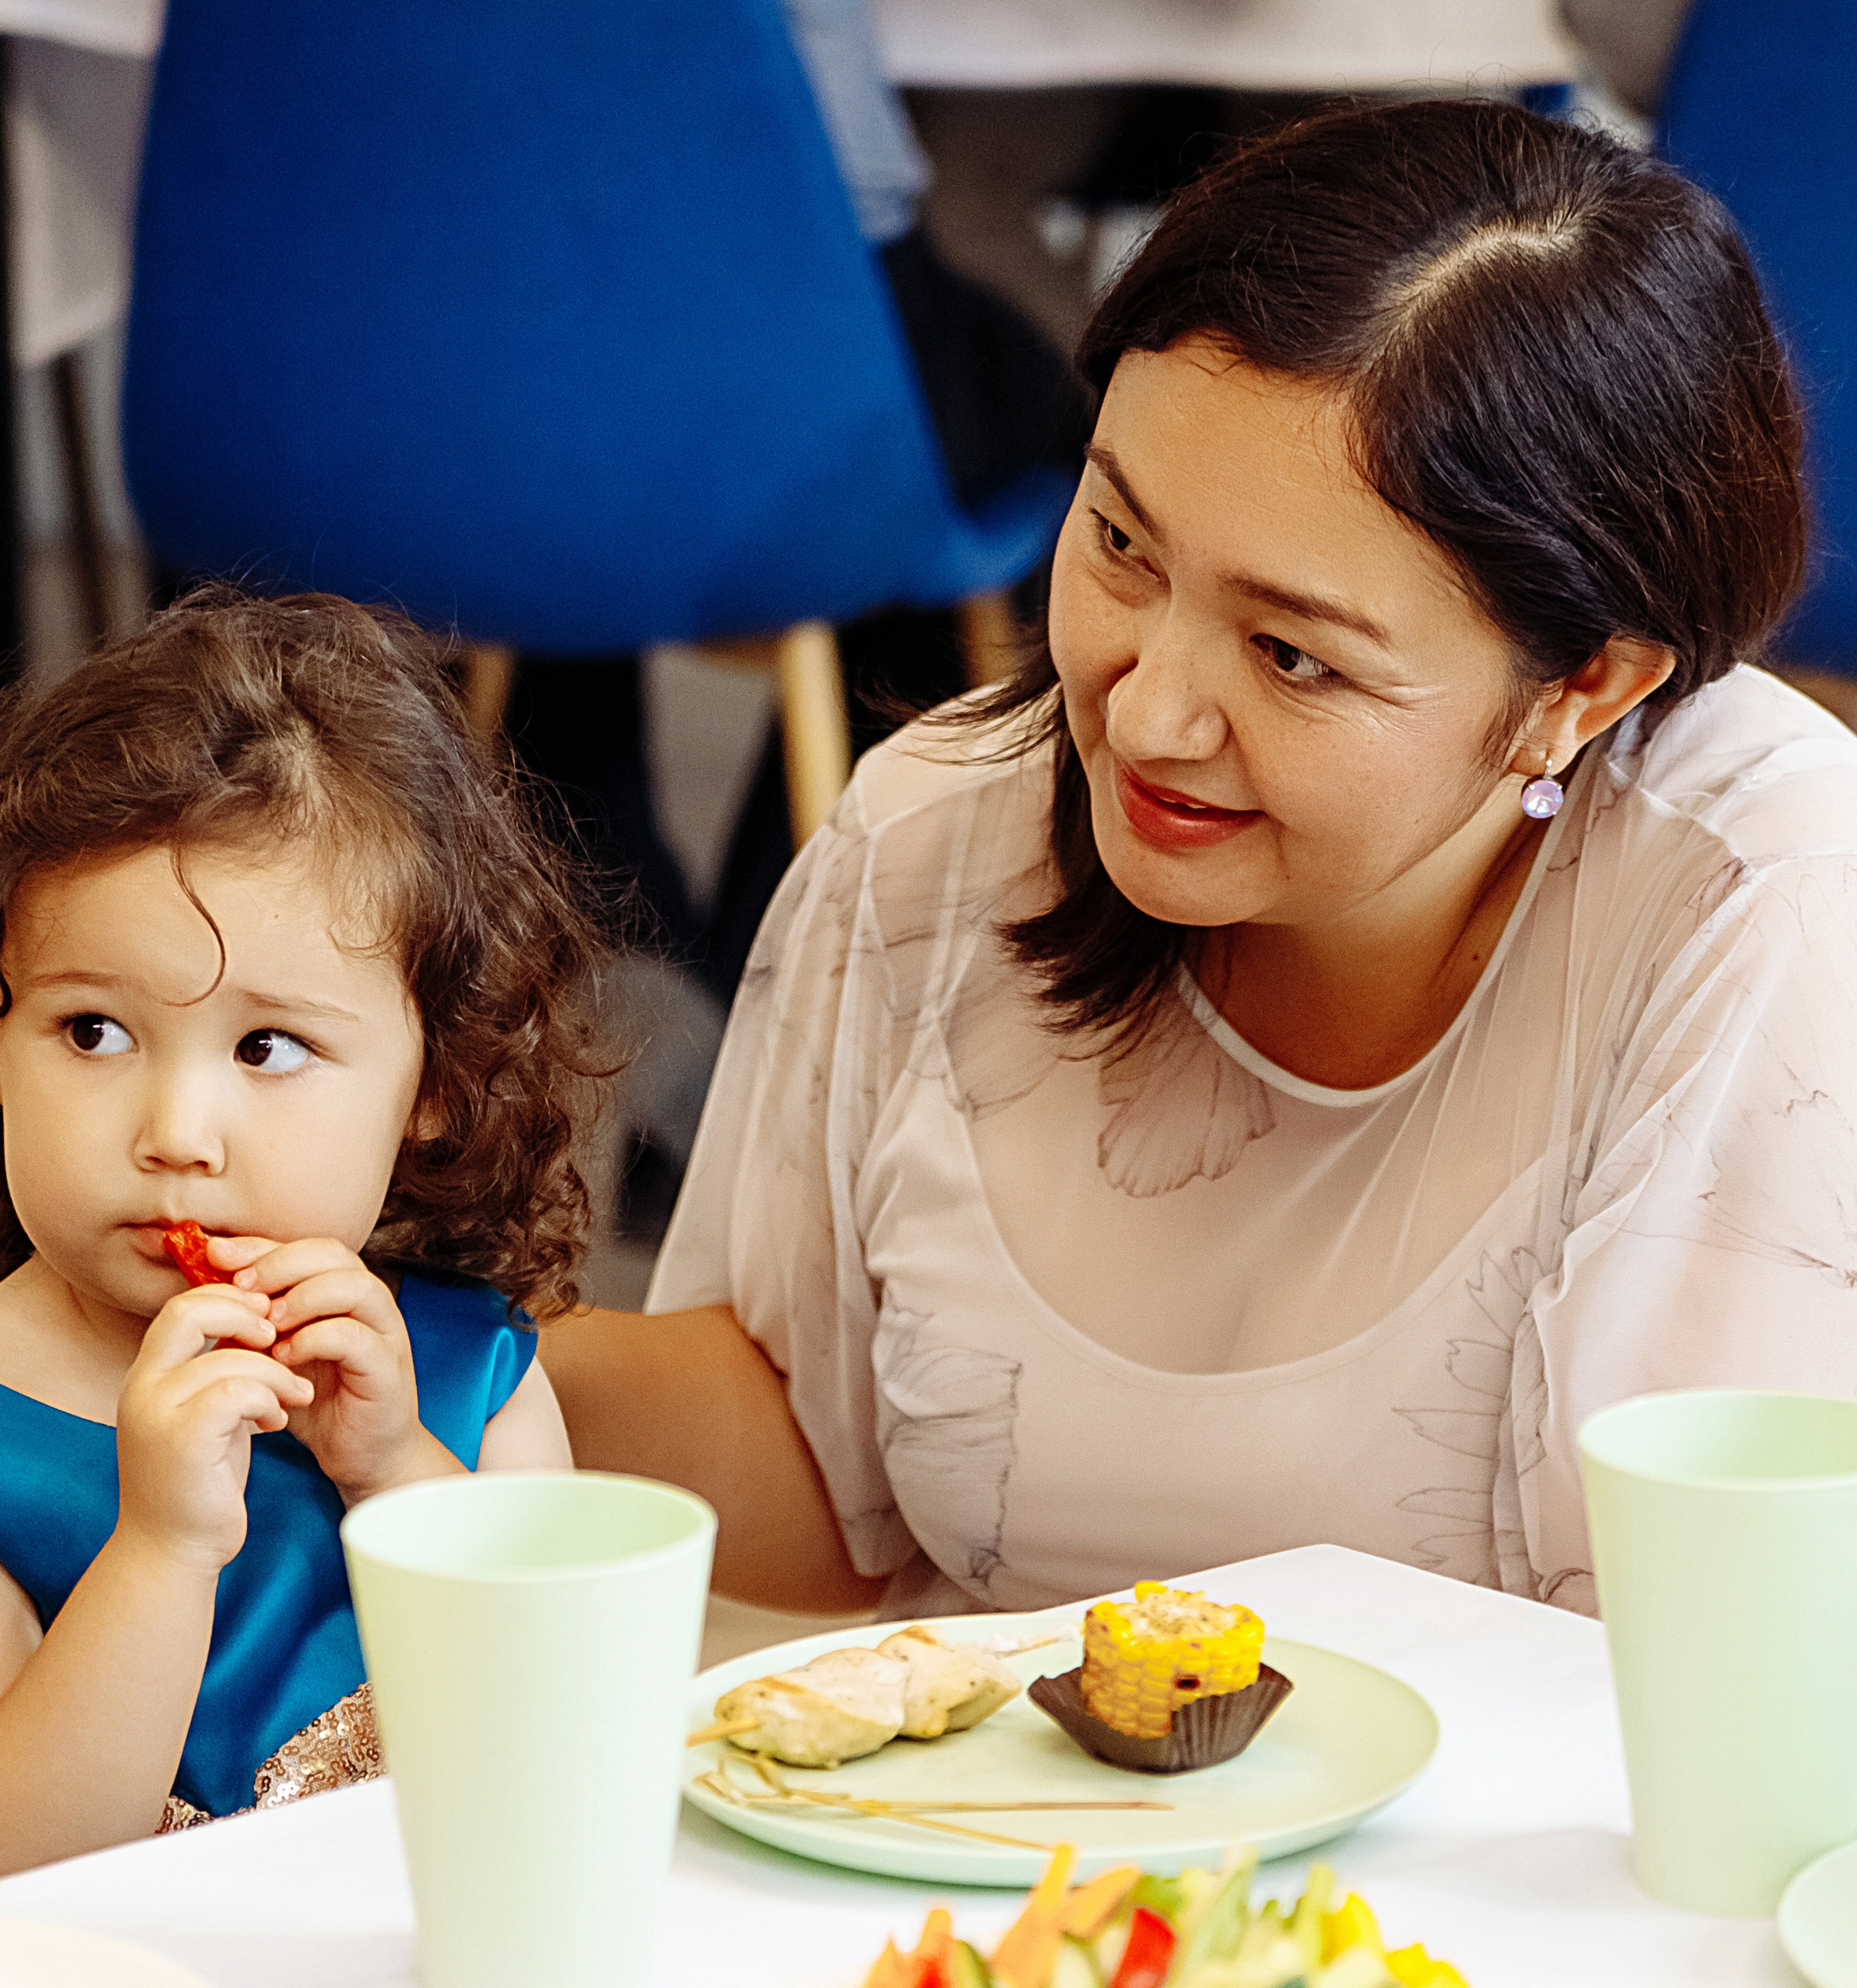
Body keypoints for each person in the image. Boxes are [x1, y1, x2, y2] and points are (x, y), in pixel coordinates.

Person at [545, 97, 1856, 1624]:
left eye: (1293, 656)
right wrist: (402, 1337)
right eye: (1119, 545)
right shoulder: (945, 828)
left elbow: (1687, 1660)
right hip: (1025, 1852)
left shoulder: (1763, 902)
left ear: (1586, 690)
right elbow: (827, 1489)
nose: (1147, 715)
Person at [0, 589, 603, 1896]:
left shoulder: (473, 1383)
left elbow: (581, 1749)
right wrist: (162, 1549)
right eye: (93, 1032)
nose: (178, 1132)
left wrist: (398, 1475)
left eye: (269, 1048)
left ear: (434, 1084)